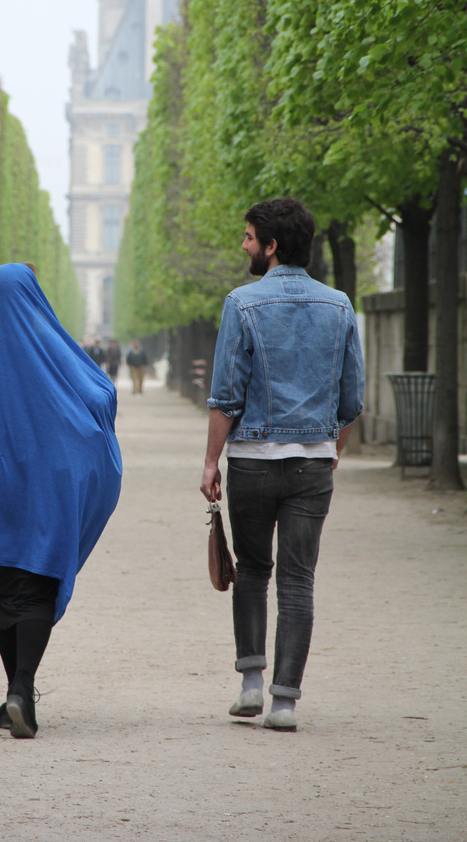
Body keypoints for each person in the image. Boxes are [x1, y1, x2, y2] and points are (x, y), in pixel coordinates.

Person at [0, 264, 122, 738]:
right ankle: (21, 687)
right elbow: (101, 393)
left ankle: (15, 689)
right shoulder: (46, 343)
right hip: (46, 484)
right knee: (36, 582)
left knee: (4, 588)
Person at [200, 197, 364, 732]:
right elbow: (351, 399)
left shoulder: (241, 303)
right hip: (312, 464)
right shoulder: (340, 305)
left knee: (252, 571)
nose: (244, 245)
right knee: (298, 581)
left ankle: (250, 683)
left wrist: (210, 462)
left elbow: (227, 394)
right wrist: (329, 450)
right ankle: (286, 703)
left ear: (271, 246)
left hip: (252, 459)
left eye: (249, 237)